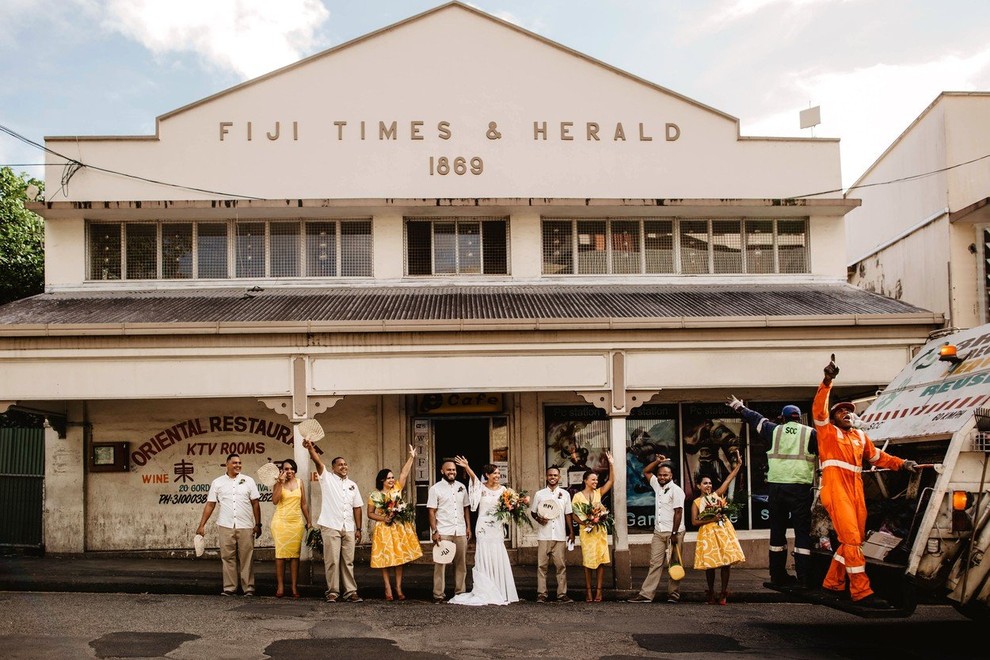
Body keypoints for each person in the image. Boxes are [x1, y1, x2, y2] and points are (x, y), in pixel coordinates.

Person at [814, 354, 918, 608]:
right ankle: (861, 591)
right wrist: (827, 380)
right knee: (850, 539)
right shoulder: (828, 433)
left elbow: (877, 457)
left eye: (850, 412)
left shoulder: (860, 437)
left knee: (854, 541)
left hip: (855, 490)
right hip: (836, 489)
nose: (848, 414)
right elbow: (818, 409)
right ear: (834, 416)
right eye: (842, 411)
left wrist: (902, 463)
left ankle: (833, 583)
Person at [727, 395, 817, 588]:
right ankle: (804, 577)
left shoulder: (774, 430)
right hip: (800, 488)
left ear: (782, 418)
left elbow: (755, 418)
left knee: (777, 531)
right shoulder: (810, 433)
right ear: (799, 418)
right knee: (802, 531)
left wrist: (738, 407)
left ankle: (777, 574)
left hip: (776, 488)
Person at [449, 458, 520, 605]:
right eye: (494, 473)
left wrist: (516, 505)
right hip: (483, 527)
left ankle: (499, 589)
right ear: (487, 475)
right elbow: (474, 479)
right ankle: (485, 589)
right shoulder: (481, 487)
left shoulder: (504, 490)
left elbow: (510, 506)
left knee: (497, 555)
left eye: (499, 473)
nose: (497, 475)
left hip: (496, 527)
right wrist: (467, 467)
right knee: (484, 555)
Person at [304, 438, 363, 603]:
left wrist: (359, 528)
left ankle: (351, 592)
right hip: (330, 526)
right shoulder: (327, 478)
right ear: (333, 468)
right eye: (340, 464)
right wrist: (310, 448)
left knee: (348, 561)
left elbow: (357, 507)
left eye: (345, 464)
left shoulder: (353, 485)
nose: (343, 466)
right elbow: (317, 461)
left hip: (349, 527)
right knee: (332, 561)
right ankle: (333, 591)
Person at [195, 452, 262, 596]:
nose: (238, 465)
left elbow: (255, 504)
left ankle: (248, 588)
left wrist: (258, 524)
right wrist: (202, 525)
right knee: (227, 557)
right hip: (225, 525)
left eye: (239, 463)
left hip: (246, 525)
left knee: (247, 557)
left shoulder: (248, 481)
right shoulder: (217, 482)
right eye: (235, 463)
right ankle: (230, 588)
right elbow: (210, 505)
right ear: (227, 464)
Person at [367, 444, 423, 601]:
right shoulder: (374, 495)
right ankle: (387, 587)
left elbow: (404, 473)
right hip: (383, 528)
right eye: (389, 478)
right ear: (382, 480)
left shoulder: (397, 489)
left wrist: (412, 457)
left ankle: (398, 587)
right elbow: (370, 514)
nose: (392, 480)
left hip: (398, 527)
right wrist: (384, 518)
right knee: (386, 559)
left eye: (393, 477)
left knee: (399, 558)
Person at [627, 458, 686, 603]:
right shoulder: (657, 486)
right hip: (659, 532)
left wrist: (674, 534)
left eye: (666, 475)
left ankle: (673, 594)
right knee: (655, 563)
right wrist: (656, 461)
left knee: (674, 563)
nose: (662, 477)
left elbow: (678, 512)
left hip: (674, 532)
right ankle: (646, 594)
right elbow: (646, 471)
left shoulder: (677, 491)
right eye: (660, 474)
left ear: (671, 476)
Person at [691, 450, 745, 605]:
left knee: (725, 562)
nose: (708, 485)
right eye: (704, 483)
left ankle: (723, 592)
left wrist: (738, 465)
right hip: (707, 534)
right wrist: (711, 519)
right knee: (711, 564)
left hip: (722, 531)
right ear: (699, 486)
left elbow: (728, 479)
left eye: (709, 483)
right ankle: (711, 592)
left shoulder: (717, 495)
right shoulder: (696, 503)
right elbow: (694, 522)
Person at [571, 450, 615, 603]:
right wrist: (586, 522)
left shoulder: (598, 493)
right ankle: (588, 591)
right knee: (588, 562)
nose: (596, 482)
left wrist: (611, 464)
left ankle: (599, 591)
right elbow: (574, 514)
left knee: (601, 561)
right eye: (593, 479)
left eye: (596, 480)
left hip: (599, 531)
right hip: (587, 532)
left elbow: (610, 482)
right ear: (585, 480)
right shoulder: (577, 496)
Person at [427, 458, 472, 603]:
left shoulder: (462, 487)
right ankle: (438, 594)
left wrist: (468, 527)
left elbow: (466, 508)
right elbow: (431, 511)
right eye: (448, 470)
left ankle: (460, 593)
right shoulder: (435, 489)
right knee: (441, 564)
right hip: (443, 531)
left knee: (461, 564)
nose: (451, 472)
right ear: (442, 471)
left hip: (460, 530)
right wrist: (434, 531)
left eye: (453, 470)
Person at [529, 466, 575, 603]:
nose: (553, 477)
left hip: (560, 536)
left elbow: (568, 514)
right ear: (546, 476)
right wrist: (539, 519)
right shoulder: (540, 494)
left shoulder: (565, 494)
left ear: (559, 477)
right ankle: (542, 594)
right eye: (550, 475)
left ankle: (562, 594)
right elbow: (533, 512)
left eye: (555, 475)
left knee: (561, 566)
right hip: (544, 535)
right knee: (542, 566)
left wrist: (571, 532)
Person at [270, 458, 312, 598]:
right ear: (282, 471)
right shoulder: (278, 483)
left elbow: (304, 504)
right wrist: (280, 483)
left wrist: (309, 521)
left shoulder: (300, 482)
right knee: (281, 555)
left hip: (296, 523)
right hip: (280, 522)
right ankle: (280, 586)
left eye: (292, 468)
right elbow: (275, 501)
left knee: (295, 555)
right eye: (286, 469)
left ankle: (294, 587)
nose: (289, 471)